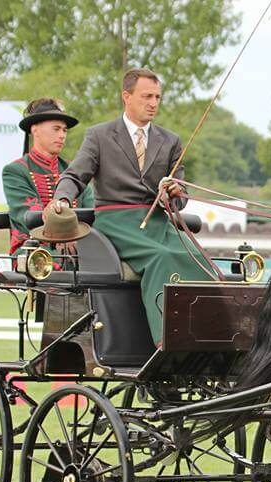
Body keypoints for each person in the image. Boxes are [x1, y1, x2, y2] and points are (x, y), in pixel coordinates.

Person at [48, 68, 213, 344]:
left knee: (200, 259)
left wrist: (174, 193)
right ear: (127, 97)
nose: (153, 103)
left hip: (157, 221)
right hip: (116, 221)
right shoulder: (99, 135)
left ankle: (207, 335)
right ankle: (167, 339)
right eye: (147, 96)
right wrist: (63, 199)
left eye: (157, 97)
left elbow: (180, 198)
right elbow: (75, 175)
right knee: (161, 256)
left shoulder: (171, 141)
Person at [2, 98, 94, 254]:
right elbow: (27, 217)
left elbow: (91, 211)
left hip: (76, 248)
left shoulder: (74, 171)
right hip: (33, 249)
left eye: (64, 130)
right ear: (35, 130)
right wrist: (64, 236)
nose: (62, 135)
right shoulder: (16, 171)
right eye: (56, 129)